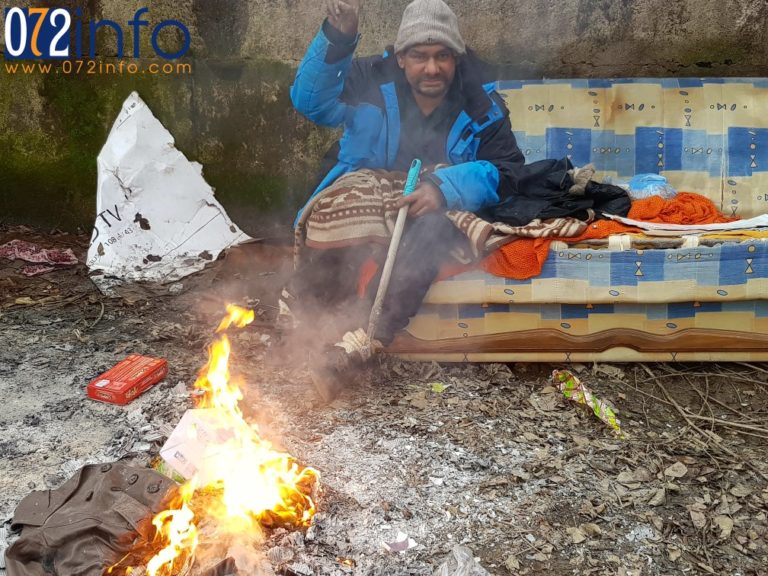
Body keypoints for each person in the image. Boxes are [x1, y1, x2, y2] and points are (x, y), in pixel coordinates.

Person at [287, 0, 525, 399]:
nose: (431, 69)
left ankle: (362, 341)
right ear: (400, 58)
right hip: (368, 185)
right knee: (339, 211)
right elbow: (309, 101)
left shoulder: (482, 104)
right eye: (419, 56)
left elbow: (508, 171)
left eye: (442, 56)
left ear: (456, 57)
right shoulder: (368, 80)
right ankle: (309, 329)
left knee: (432, 228)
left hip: (433, 196)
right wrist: (338, 37)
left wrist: (444, 188)